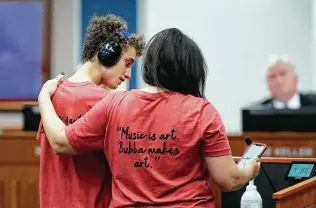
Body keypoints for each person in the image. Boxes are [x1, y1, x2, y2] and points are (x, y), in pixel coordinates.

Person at [38, 28, 260, 207]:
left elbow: (61, 141)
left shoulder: (113, 103)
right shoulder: (202, 111)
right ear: (192, 70)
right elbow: (228, 180)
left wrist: (44, 97)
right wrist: (249, 169)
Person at [36, 13, 145, 208]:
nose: (128, 74)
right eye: (127, 63)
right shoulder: (107, 103)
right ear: (106, 53)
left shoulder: (52, 95)